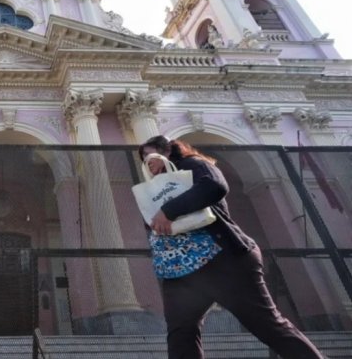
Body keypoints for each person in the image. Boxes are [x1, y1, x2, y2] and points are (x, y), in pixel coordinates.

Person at [137, 135, 324, 359]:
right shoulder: (157, 190)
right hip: (182, 269)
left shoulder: (192, 165)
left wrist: (168, 210)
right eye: (143, 158)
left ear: (167, 151)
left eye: (150, 155)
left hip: (224, 260)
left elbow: (214, 186)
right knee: (181, 333)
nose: (147, 162)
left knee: (267, 325)